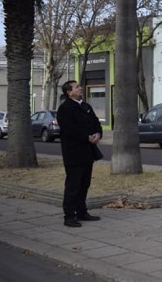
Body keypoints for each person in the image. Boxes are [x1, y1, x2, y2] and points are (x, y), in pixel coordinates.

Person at [57, 80, 103, 227]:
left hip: (88, 153)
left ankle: (82, 212)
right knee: (73, 185)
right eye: (77, 87)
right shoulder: (65, 109)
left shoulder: (86, 106)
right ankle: (69, 216)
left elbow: (96, 122)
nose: (81, 88)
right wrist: (86, 137)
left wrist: (97, 134)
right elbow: (69, 129)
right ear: (69, 92)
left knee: (85, 184)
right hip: (74, 153)